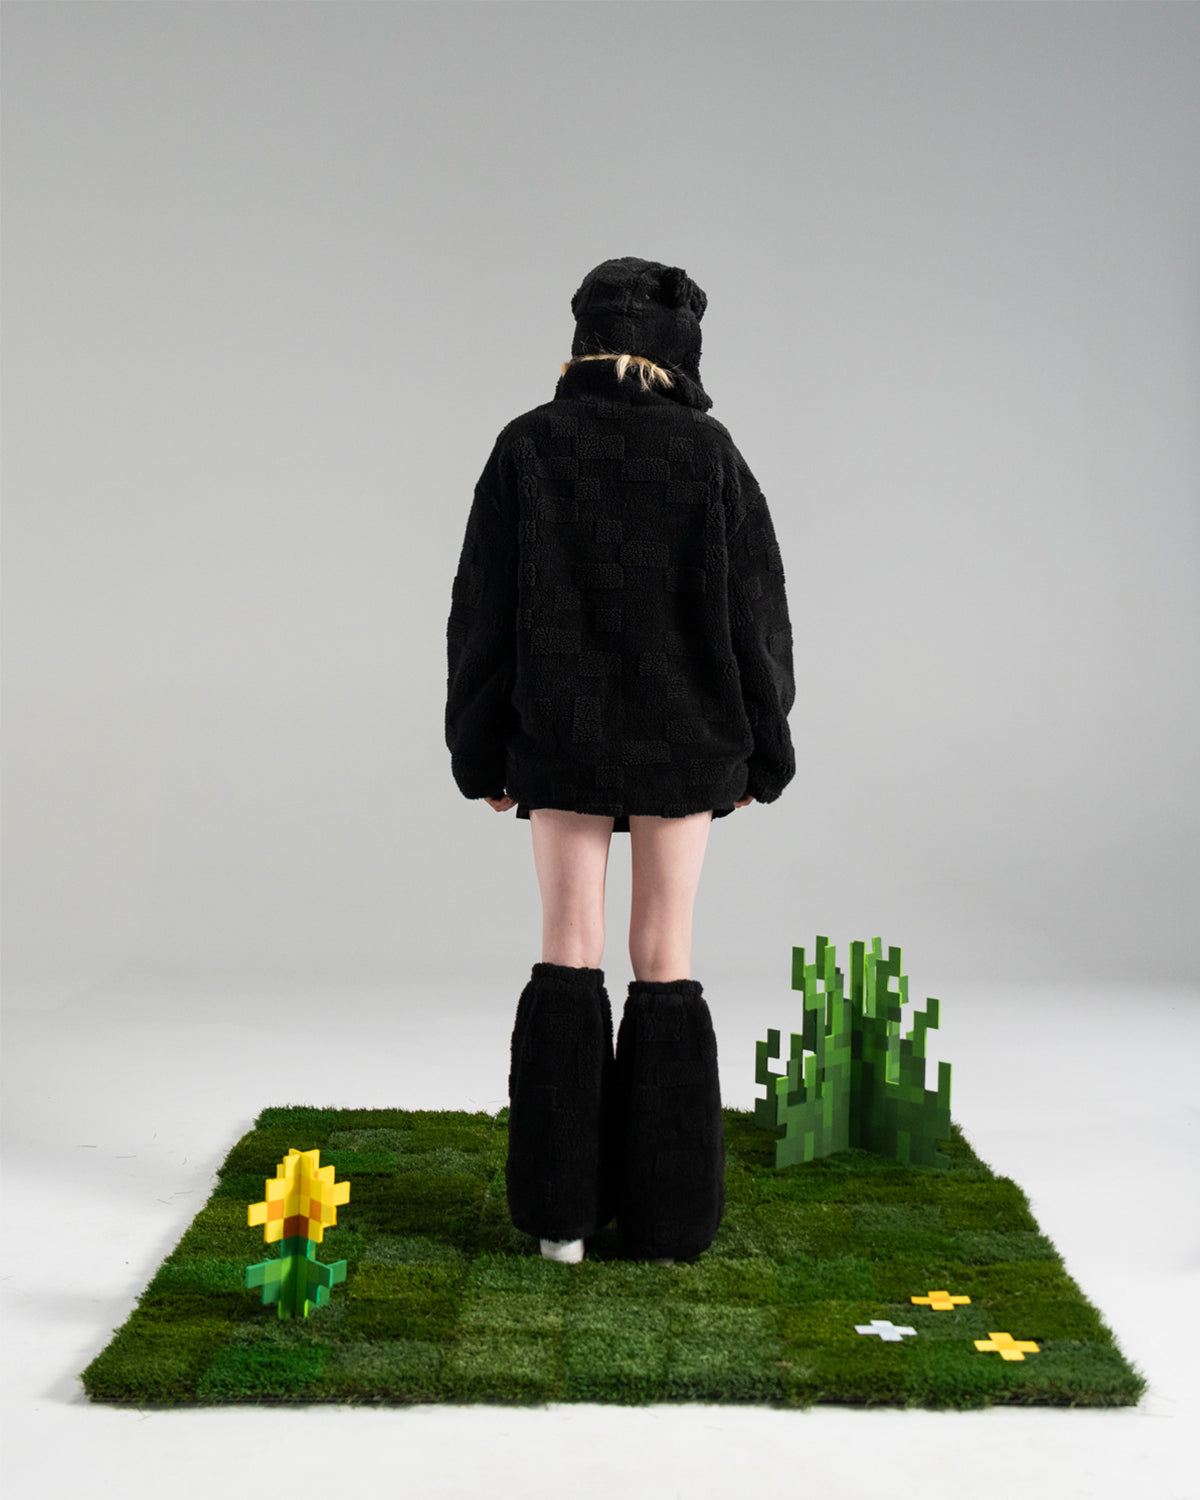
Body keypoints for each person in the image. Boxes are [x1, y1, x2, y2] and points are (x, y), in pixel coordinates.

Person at [445, 256, 795, 1265]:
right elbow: (756, 618)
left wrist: (480, 751)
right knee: (664, 954)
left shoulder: (526, 446)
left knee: (569, 945)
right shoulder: (710, 452)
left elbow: (482, 617)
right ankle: (669, 1222)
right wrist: (764, 751)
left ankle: (560, 1221)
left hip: (559, 736)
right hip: (687, 742)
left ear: (583, 338)